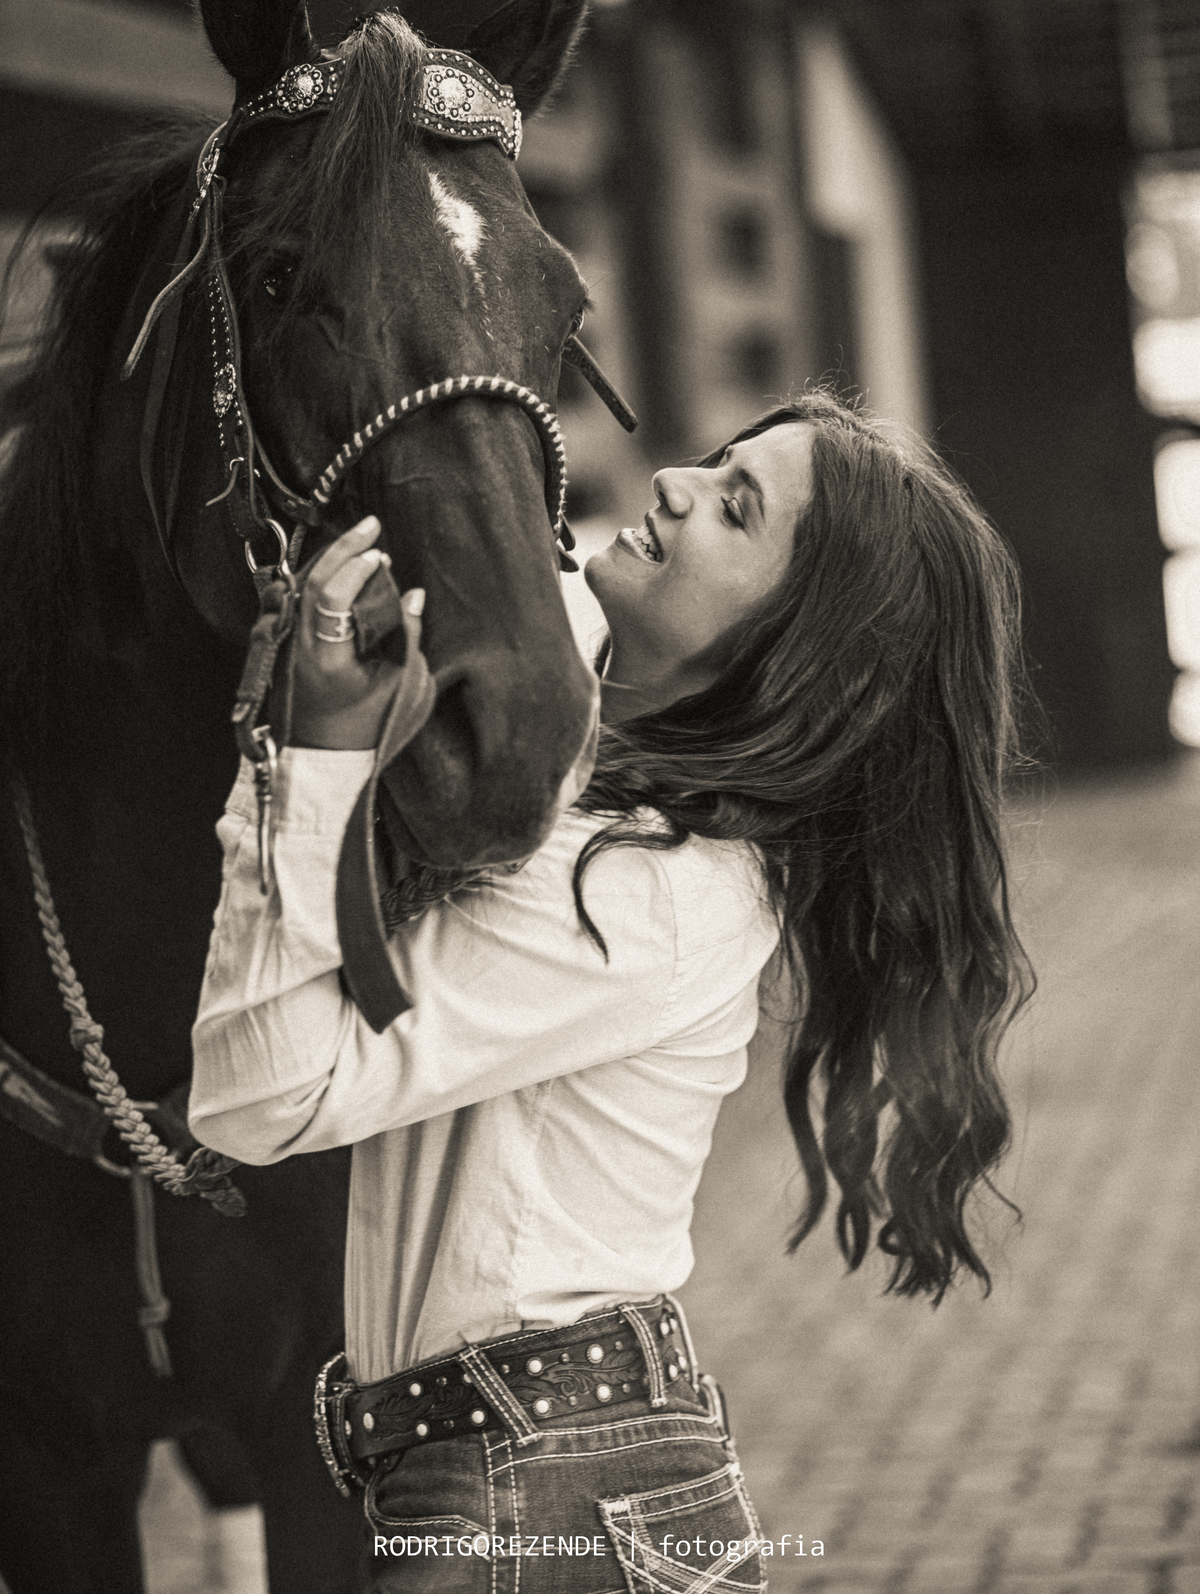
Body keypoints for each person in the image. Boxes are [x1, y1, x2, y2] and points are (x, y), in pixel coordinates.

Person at [189, 390, 1033, 1590]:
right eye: (716, 460)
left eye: (736, 509)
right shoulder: (592, 805)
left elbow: (264, 1093)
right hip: (532, 1461)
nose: (678, 482)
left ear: (793, 649)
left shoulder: (645, 883)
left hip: (538, 1482)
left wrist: (309, 751)